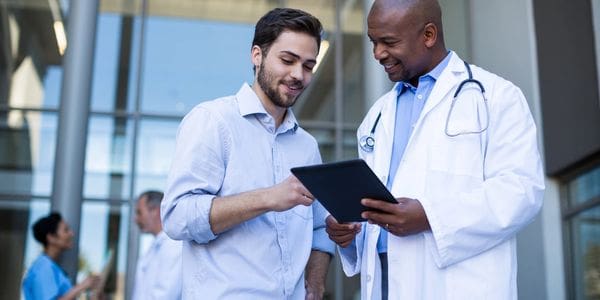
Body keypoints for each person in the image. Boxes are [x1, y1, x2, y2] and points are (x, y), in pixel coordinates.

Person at [325, 0, 545, 299]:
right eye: (374, 42)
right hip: (384, 284)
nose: (378, 53)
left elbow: (521, 191)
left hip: (457, 284)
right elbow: (375, 205)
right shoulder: (378, 114)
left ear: (428, 35)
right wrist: (349, 231)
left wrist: (429, 216)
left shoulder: (495, 97)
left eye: (388, 42)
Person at [161, 7, 334, 299]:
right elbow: (178, 216)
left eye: (308, 66)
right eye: (287, 60)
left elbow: (320, 227)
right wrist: (267, 198)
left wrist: (315, 285)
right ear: (257, 55)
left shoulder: (307, 147)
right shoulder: (212, 121)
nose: (298, 75)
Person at [22, 212, 100, 300]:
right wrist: (81, 286)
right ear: (51, 237)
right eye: (66, 230)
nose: (71, 234)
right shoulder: (43, 268)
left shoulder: (51, 267)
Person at [132, 190, 182, 300]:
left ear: (155, 211)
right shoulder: (155, 247)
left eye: (139, 212)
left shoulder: (174, 245)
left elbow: (165, 295)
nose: (136, 219)